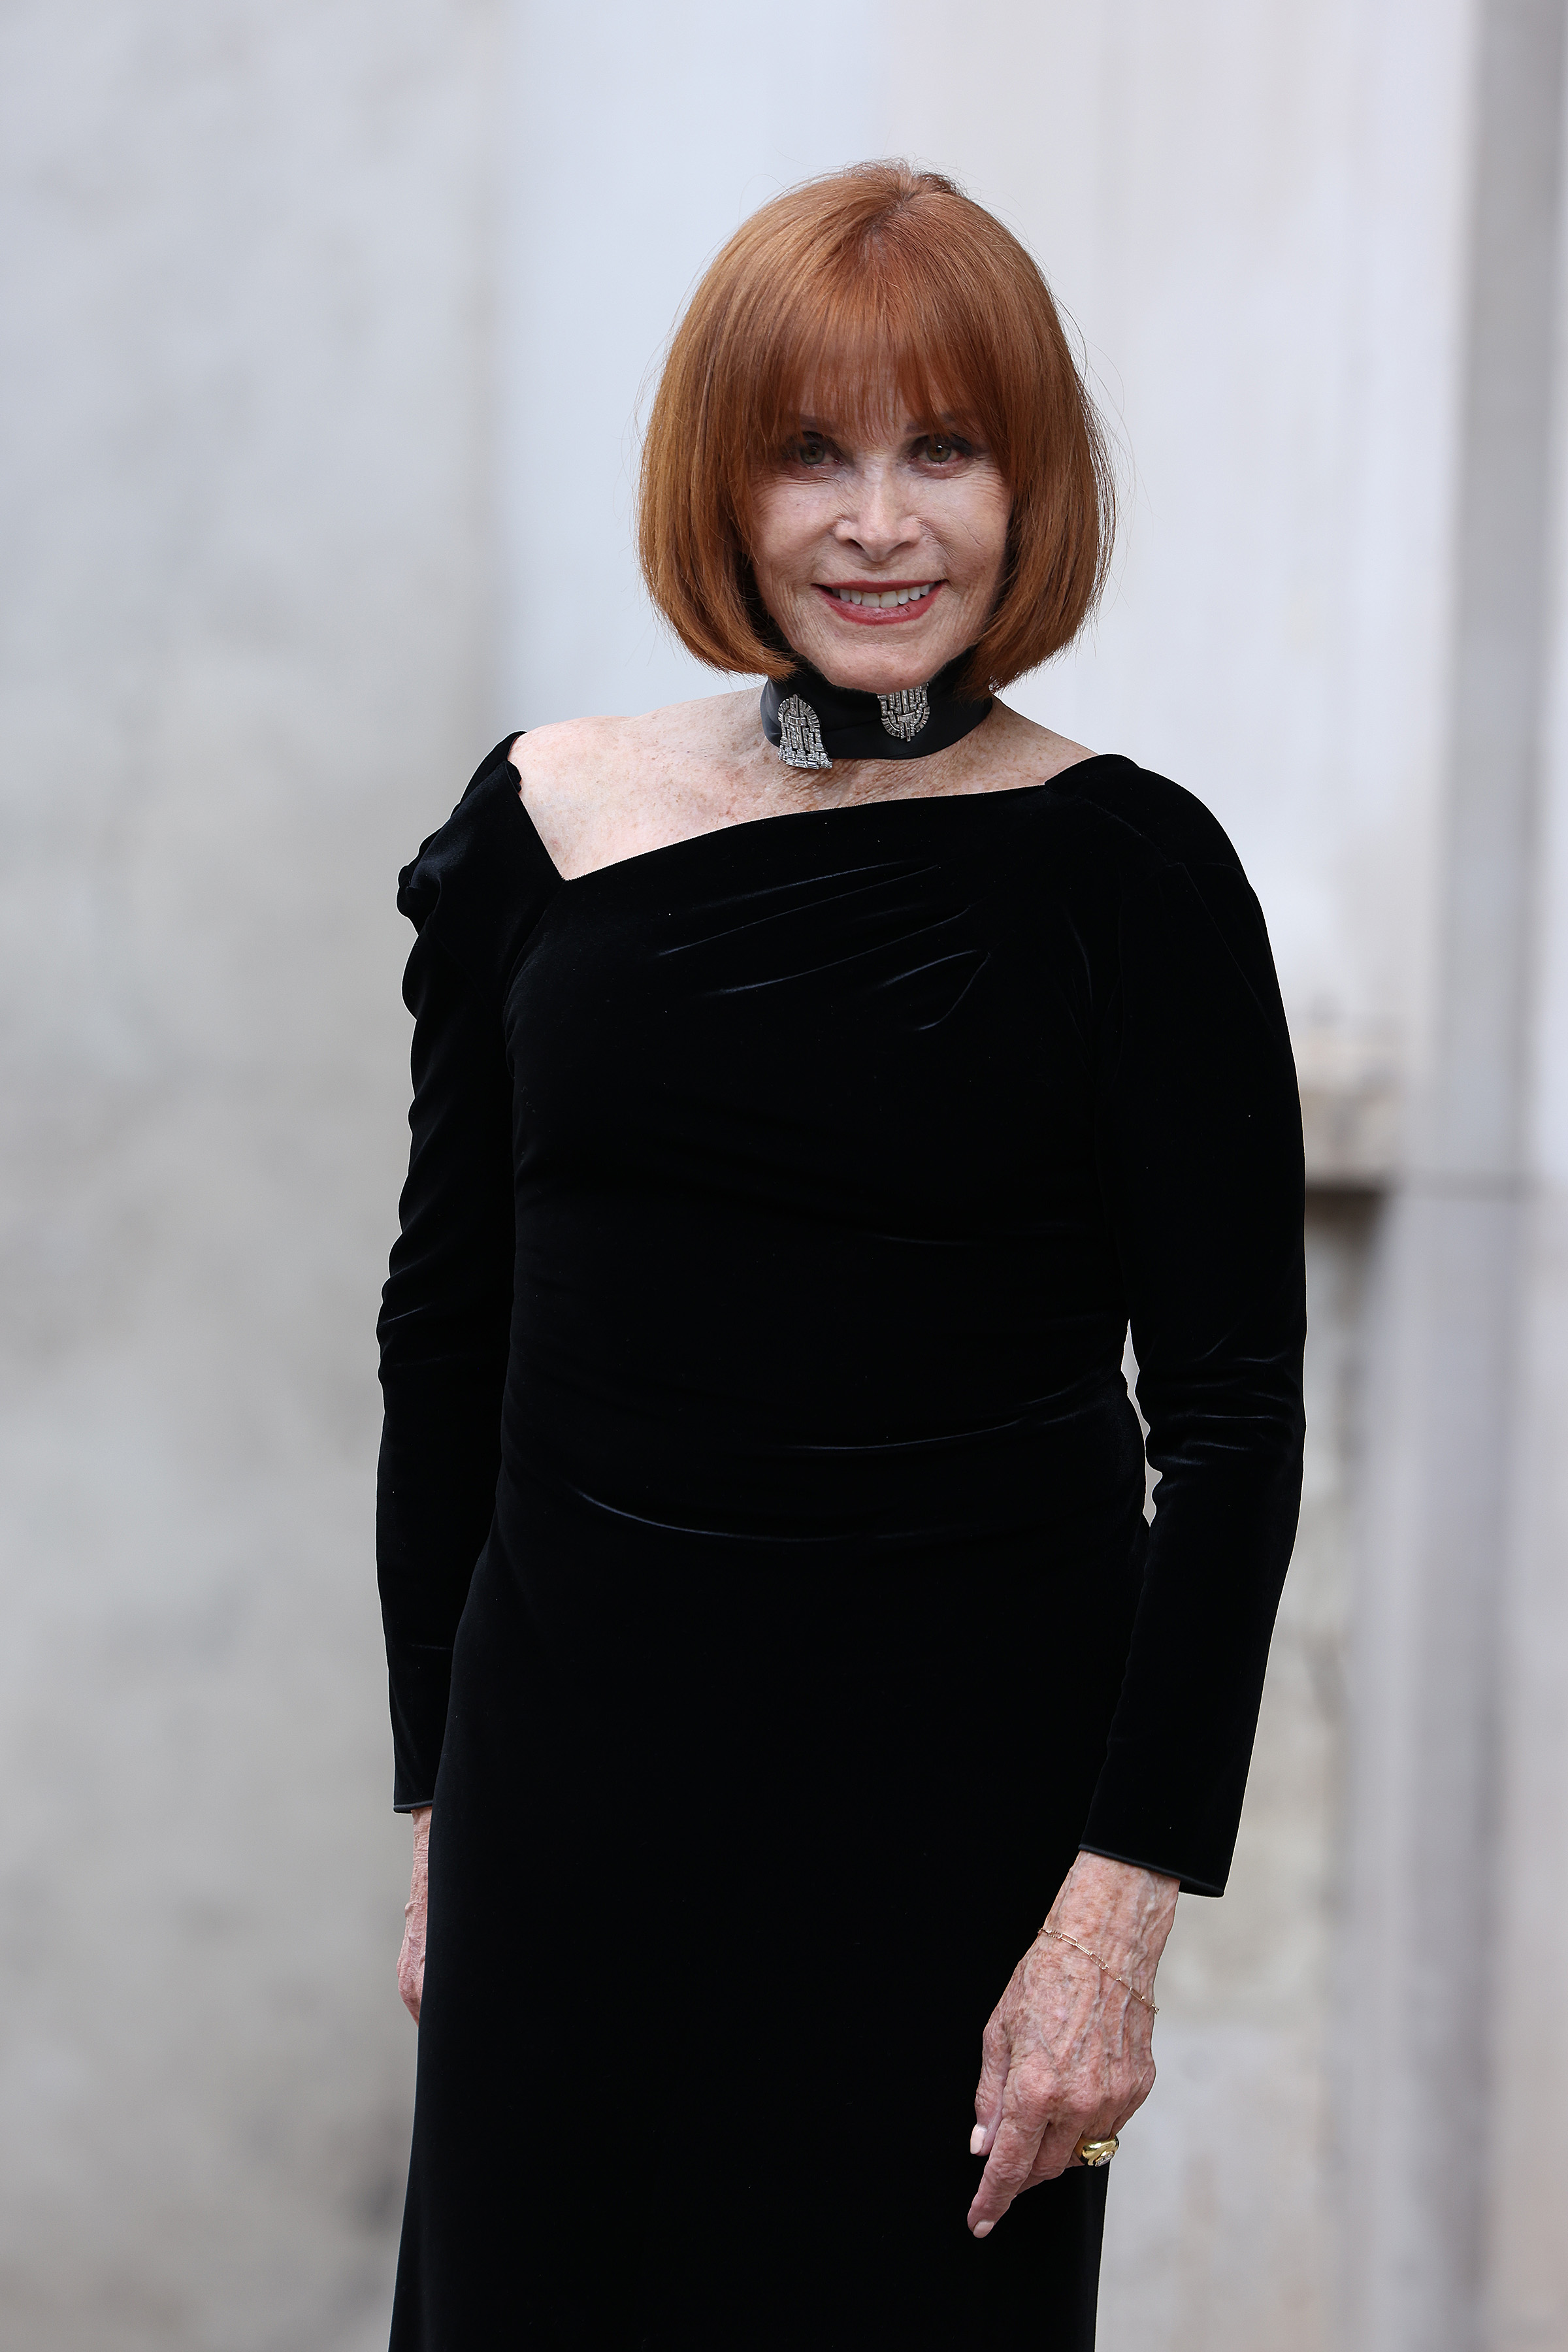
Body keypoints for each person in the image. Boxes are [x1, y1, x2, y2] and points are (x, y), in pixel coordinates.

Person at [376, 161, 1305, 2349]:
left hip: (955, 1848)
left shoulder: (1133, 876)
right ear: (728, 480)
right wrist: (440, 1796)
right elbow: (446, 1340)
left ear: (1026, 487)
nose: (878, 523)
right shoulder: (546, 822)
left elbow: (1239, 1435)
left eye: (942, 451)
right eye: (813, 454)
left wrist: (1112, 1929)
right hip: (572, 1806)